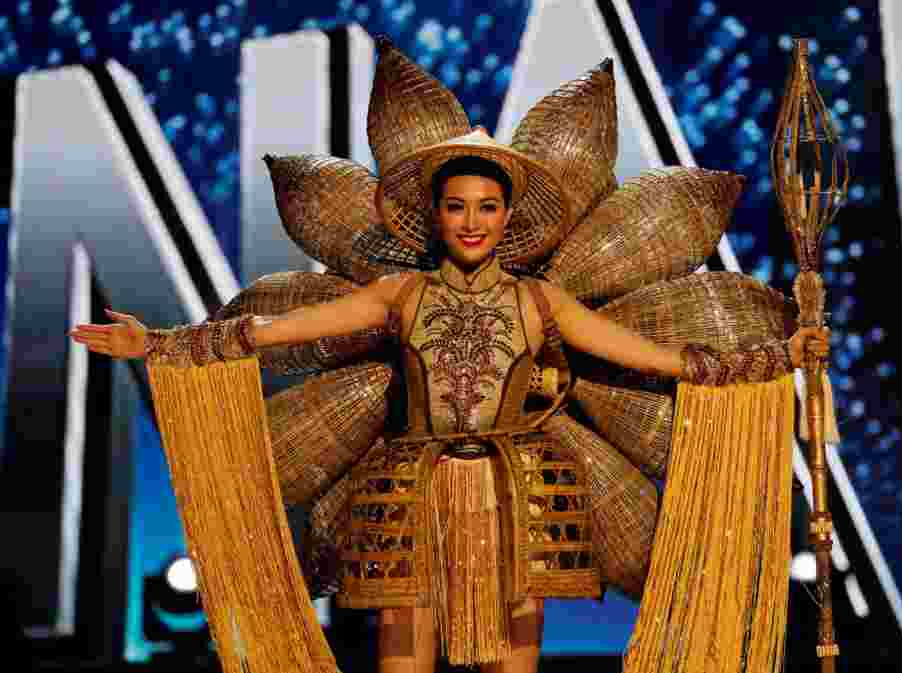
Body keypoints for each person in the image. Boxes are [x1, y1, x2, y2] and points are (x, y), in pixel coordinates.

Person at [70, 40, 828, 673]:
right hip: (410, 493)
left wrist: (776, 357)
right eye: (457, 205)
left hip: (522, 495)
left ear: (507, 218)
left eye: (487, 207)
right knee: (404, 657)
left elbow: (666, 360)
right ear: (435, 213)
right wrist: (161, 343)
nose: (471, 221)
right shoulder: (399, 294)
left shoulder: (541, 304)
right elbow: (272, 332)